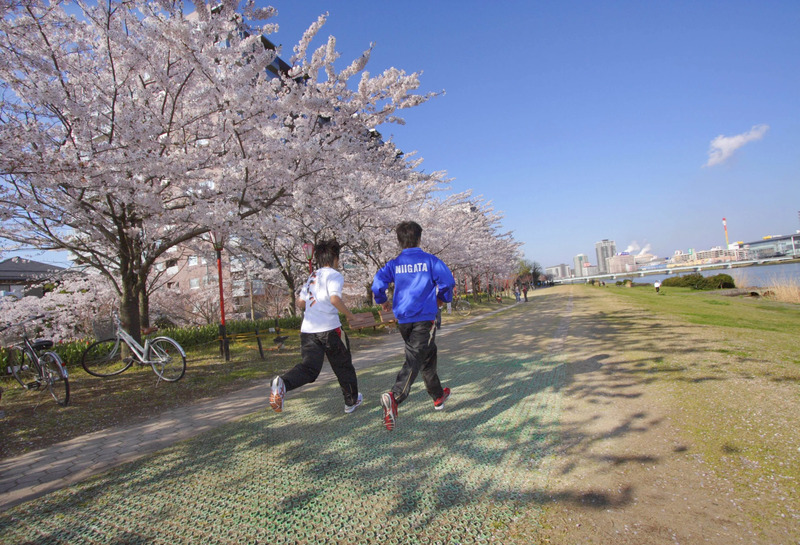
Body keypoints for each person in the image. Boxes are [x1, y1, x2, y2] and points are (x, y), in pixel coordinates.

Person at [372, 221, 455, 431]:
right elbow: (447, 281)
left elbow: (378, 282)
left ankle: (437, 396)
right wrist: (442, 299)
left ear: (399, 241)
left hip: (404, 320)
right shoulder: (430, 260)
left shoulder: (394, 264)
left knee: (427, 354)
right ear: (420, 238)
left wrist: (381, 299)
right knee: (415, 358)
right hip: (425, 318)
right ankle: (395, 396)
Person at [269, 239, 363, 415]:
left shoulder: (312, 276)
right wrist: (351, 316)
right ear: (335, 258)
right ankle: (351, 401)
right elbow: (335, 299)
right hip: (330, 329)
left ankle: (282, 383)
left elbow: (301, 303)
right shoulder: (334, 275)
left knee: (309, 369)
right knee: (343, 366)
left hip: (308, 330)